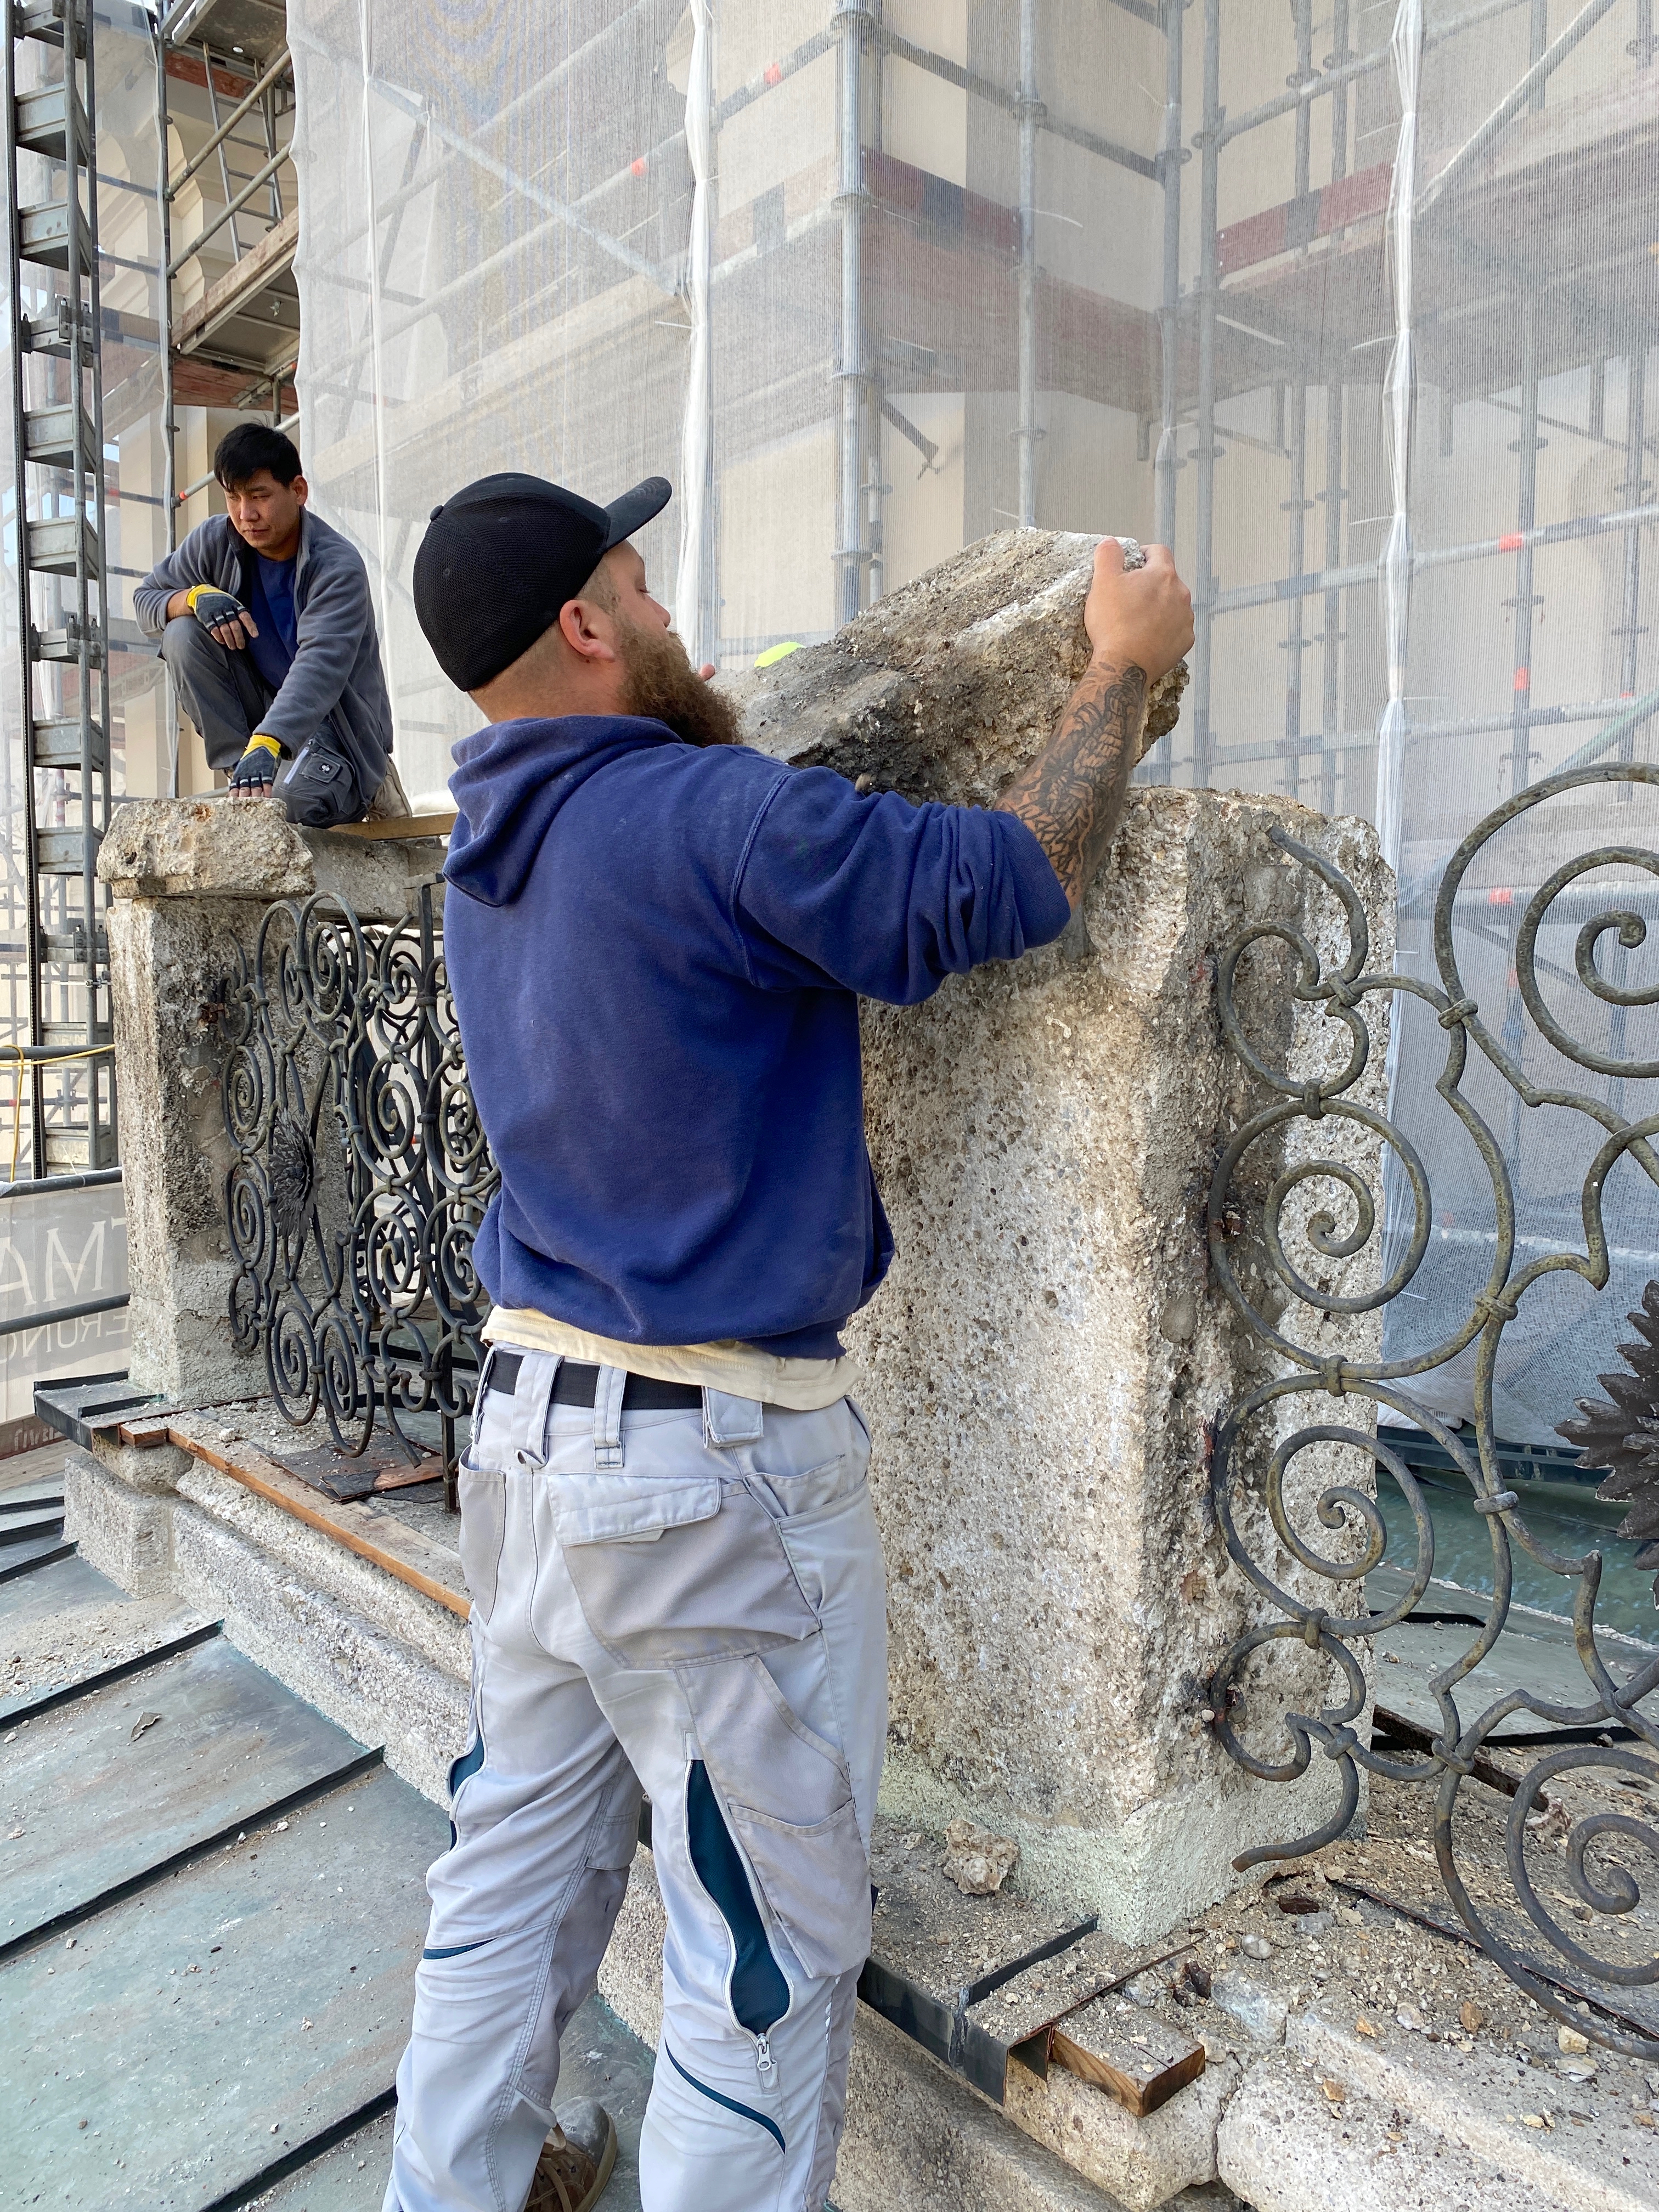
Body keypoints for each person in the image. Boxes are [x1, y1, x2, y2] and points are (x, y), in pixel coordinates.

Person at [390, 471, 1194, 2212]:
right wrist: (1118, 668)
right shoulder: (699, 816)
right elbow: (1009, 876)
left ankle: (453, 2188)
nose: (673, 613)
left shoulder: (488, 852)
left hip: (530, 1448)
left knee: (509, 1881)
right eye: (644, 585)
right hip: (705, 1475)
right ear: (590, 628)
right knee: (753, 1963)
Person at [134, 422, 406, 825]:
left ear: (298, 491)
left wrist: (269, 740)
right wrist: (189, 599)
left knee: (290, 806)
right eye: (233, 498)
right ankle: (243, 776)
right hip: (261, 717)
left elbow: (320, 665)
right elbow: (145, 600)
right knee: (182, 633)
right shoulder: (215, 541)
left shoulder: (337, 566)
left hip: (333, 726)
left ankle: (372, 784)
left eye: (260, 497)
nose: (246, 515)